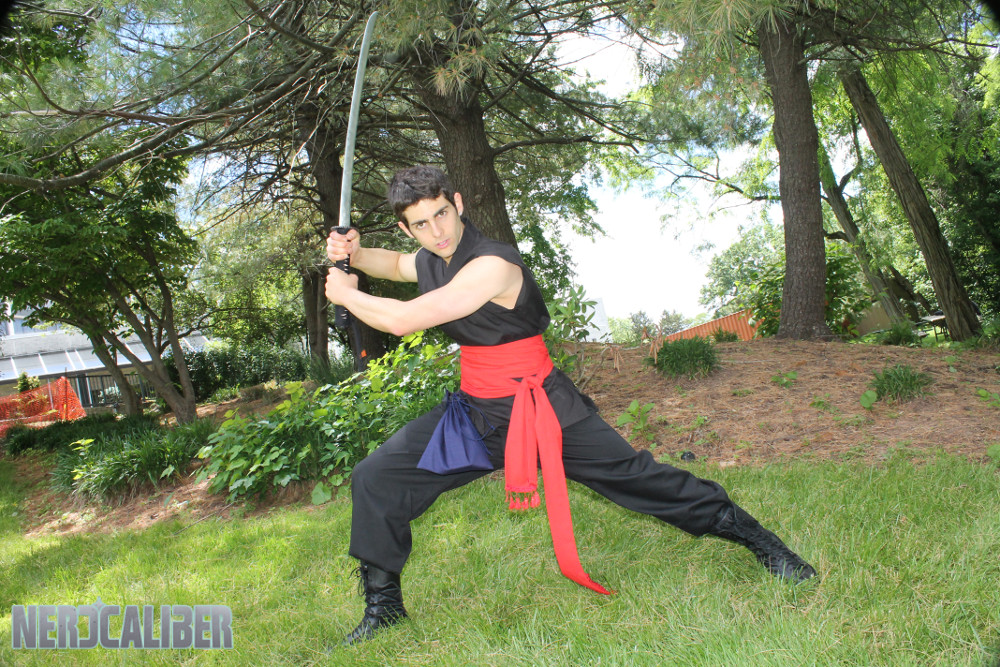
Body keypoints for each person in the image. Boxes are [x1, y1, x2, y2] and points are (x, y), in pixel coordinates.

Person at [325, 165, 816, 646]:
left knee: (638, 478)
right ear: (406, 229)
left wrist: (345, 293)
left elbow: (405, 319)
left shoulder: (494, 263)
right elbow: (396, 266)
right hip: (476, 413)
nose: (437, 231)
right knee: (377, 476)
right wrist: (356, 254)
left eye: (441, 214)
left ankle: (763, 544)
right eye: (421, 225)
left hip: (542, 407)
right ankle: (384, 607)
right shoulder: (432, 257)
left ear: (458, 203)